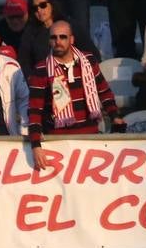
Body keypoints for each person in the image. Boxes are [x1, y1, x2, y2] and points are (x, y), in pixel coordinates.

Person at [28, 19, 126, 170]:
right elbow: (35, 110)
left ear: (72, 39)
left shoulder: (88, 61)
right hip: (57, 142)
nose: (58, 41)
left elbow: (104, 91)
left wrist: (115, 116)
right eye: (53, 37)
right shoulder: (41, 69)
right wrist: (35, 145)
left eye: (63, 37)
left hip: (90, 139)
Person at [18, 0, 66, 80]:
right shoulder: (30, 31)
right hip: (41, 80)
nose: (39, 10)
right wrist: (32, 79)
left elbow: (89, 52)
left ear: (52, 5)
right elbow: (24, 60)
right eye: (35, 8)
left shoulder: (68, 25)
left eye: (43, 5)